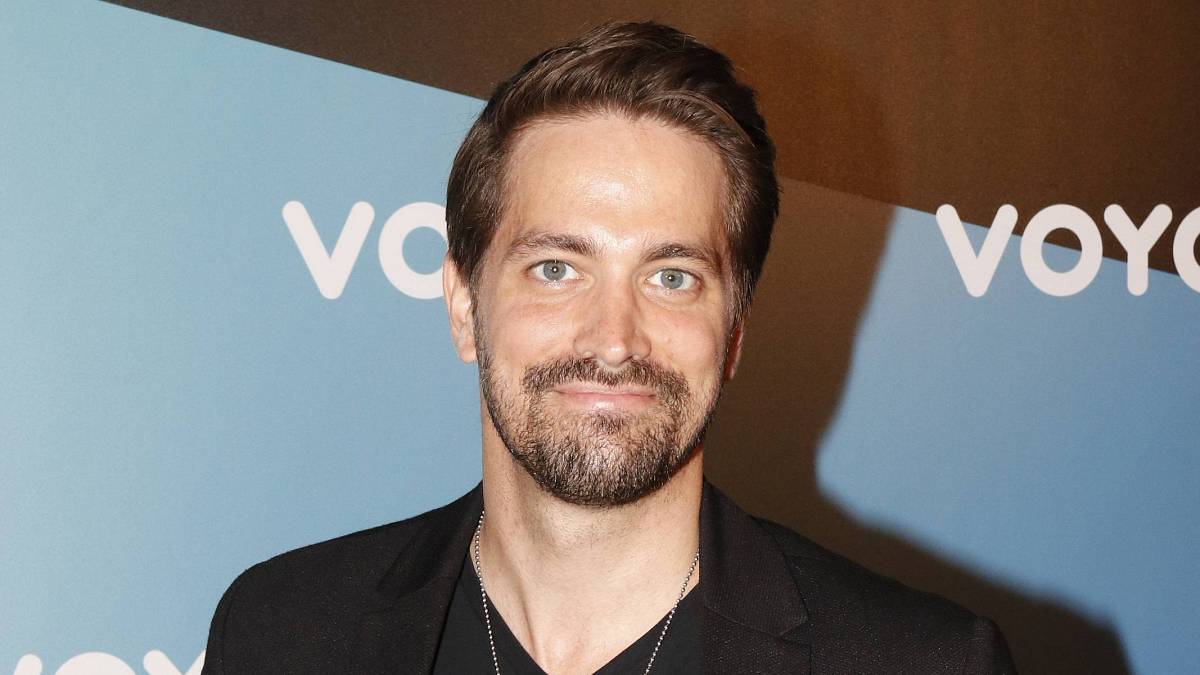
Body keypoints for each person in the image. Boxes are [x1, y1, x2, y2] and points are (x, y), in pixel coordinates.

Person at [201, 21, 1014, 674]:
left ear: (734, 331)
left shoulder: (924, 662)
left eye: (672, 277)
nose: (615, 340)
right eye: (557, 268)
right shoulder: (282, 633)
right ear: (463, 305)